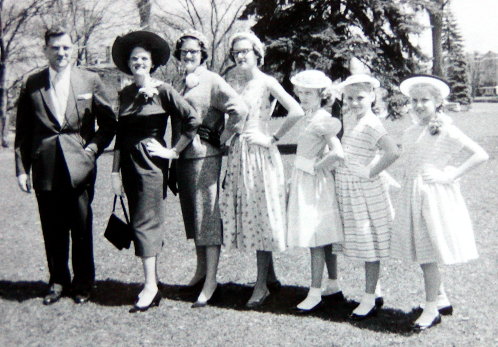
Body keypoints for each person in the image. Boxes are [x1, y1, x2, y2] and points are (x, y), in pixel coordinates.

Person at [14, 26, 117, 305]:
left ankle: (83, 283)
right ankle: (58, 281)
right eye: (55, 47)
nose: (61, 53)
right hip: (44, 167)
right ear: (45, 50)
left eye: (66, 48)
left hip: (79, 165)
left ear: (73, 49)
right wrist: (22, 169)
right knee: (52, 227)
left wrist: (92, 150)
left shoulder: (90, 80)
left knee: (81, 226)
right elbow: (23, 131)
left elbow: (109, 123)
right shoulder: (32, 83)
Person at [150, 30, 248, 308]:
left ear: (203, 53)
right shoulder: (182, 82)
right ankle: (200, 271)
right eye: (184, 52)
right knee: (194, 218)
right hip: (182, 158)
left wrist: (222, 136)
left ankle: (211, 281)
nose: (188, 55)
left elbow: (239, 109)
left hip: (205, 157)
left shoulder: (212, 80)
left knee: (207, 218)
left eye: (194, 51)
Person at [110, 31, 199, 313]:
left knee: (146, 222)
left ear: (152, 63)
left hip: (151, 165)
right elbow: (120, 135)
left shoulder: (164, 91)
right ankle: (153, 282)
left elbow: (192, 119)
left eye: (144, 59)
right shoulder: (124, 94)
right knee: (138, 220)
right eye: (134, 59)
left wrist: (172, 151)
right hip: (128, 165)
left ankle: (150, 286)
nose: (139, 62)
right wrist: (114, 172)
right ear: (128, 63)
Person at [390, 75, 488, 331]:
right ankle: (441, 298)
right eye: (415, 100)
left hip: (432, 197)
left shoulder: (444, 128)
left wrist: (449, 175)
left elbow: (480, 154)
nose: (419, 105)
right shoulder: (412, 130)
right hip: (412, 193)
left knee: (428, 252)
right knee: (422, 249)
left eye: (425, 100)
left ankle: (431, 307)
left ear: (437, 102)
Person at [220, 32, 304, 308]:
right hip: (239, 153)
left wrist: (272, 138)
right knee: (251, 215)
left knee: (261, 217)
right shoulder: (234, 82)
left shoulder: (266, 81)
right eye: (236, 53)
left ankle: (260, 286)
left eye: (245, 51)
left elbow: (296, 111)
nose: (241, 56)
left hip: (259, 153)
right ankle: (270, 276)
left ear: (258, 53)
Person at [334, 74, 400, 320]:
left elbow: (392, 151)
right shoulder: (354, 121)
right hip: (352, 190)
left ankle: (369, 296)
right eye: (349, 98)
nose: (354, 103)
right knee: (362, 242)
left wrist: (371, 171)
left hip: (365, 192)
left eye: (360, 97)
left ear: (372, 97)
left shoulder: (372, 123)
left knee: (369, 243)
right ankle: (375, 291)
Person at [286, 70, 344, 312]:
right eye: (300, 93)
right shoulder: (310, 117)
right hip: (306, 179)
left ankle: (314, 292)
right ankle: (333, 285)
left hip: (314, 183)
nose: (303, 97)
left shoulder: (322, 119)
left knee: (316, 238)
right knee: (323, 236)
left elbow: (338, 153)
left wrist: (313, 167)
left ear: (321, 95)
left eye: (308, 93)